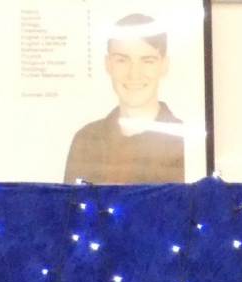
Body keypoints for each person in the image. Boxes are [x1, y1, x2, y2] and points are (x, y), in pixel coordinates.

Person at [63, 12, 184, 184]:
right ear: (108, 64)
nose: (134, 74)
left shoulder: (184, 143)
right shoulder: (86, 141)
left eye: (147, 61)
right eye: (122, 60)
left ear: (164, 65)